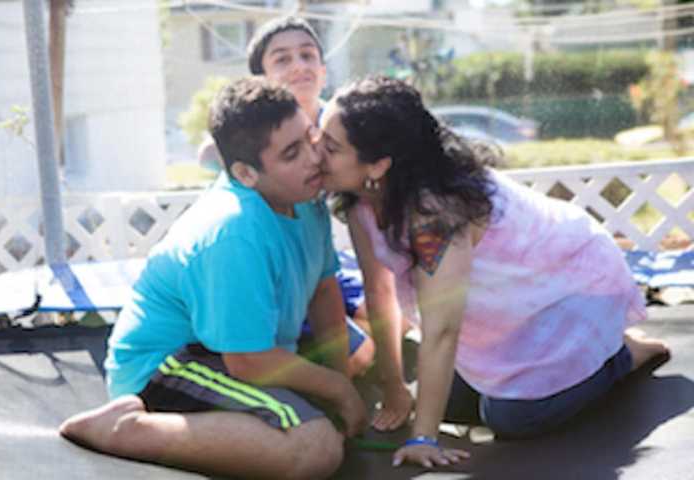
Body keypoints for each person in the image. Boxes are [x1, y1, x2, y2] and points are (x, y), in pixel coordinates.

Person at [317, 75, 670, 468]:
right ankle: (590, 353)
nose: (316, 151)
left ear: (379, 164)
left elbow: (443, 328)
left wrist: (423, 437)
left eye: (330, 147)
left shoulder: (434, 210)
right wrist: (394, 386)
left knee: (514, 418)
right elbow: (378, 290)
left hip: (568, 286)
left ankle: (622, 353)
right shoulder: (359, 201)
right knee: (449, 403)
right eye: (319, 136)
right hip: (511, 309)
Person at [59, 77, 367, 480]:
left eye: (310, 138)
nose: (314, 158)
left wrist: (341, 378)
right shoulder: (234, 231)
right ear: (246, 172)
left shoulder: (306, 201)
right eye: (292, 153)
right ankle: (125, 429)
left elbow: (325, 290)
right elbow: (248, 362)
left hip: (231, 354)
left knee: (361, 358)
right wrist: (338, 390)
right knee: (315, 447)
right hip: (168, 367)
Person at [246, 15, 376, 378]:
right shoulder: (249, 141)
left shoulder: (344, 124)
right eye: (282, 59)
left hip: (328, 267)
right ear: (260, 78)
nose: (299, 66)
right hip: (282, 280)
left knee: (381, 318)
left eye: (307, 55)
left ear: (322, 67)